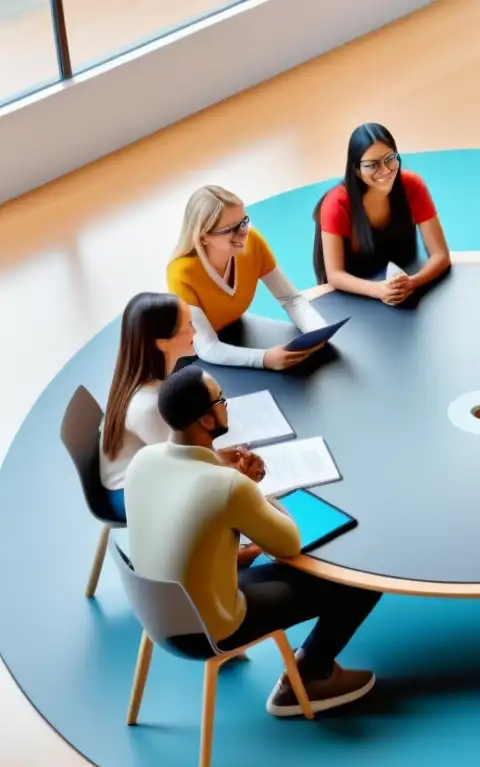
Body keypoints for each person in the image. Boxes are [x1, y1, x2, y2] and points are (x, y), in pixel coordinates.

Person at [124, 365, 383, 716]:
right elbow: (289, 544)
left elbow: (188, 496)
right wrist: (254, 488)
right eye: (221, 399)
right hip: (211, 630)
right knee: (362, 579)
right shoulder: (228, 487)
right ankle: (307, 677)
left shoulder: (143, 461)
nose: (226, 405)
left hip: (157, 613)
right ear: (204, 420)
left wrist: (221, 467)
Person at [99, 292, 263, 519]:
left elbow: (189, 456)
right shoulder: (148, 407)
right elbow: (188, 471)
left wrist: (223, 458)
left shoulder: (149, 380)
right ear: (162, 342)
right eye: (187, 325)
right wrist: (238, 474)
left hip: (156, 473)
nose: (195, 331)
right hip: (135, 496)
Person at [167, 185, 328, 370]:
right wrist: (264, 359)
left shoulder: (252, 241)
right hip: (193, 354)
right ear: (204, 237)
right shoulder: (181, 274)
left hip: (234, 330)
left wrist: (316, 331)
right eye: (230, 230)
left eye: (244, 221)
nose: (243, 234)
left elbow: (290, 298)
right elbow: (207, 347)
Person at [313, 123, 451, 303]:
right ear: (356, 169)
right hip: (352, 297)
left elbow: (440, 255)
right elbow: (335, 275)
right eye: (372, 165)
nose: (385, 170)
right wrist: (378, 290)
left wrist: (412, 283)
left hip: (402, 286)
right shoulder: (336, 204)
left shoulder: (412, 186)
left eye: (390, 158)